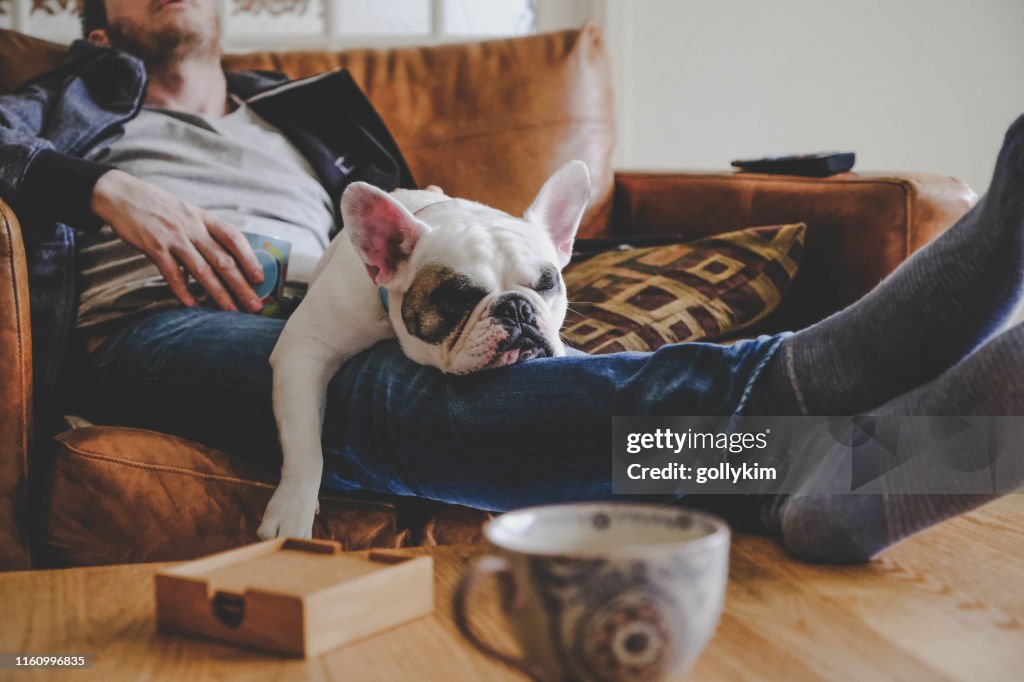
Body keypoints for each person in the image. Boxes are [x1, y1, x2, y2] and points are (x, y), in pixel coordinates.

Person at [1, 0, 1021, 565]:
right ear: (96, 30)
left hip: (311, 290)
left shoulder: (299, 114)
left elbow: (407, 259)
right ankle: (817, 377)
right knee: (394, 398)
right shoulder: (62, 106)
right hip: (154, 327)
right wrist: (105, 188)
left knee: (475, 377)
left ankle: (805, 483)